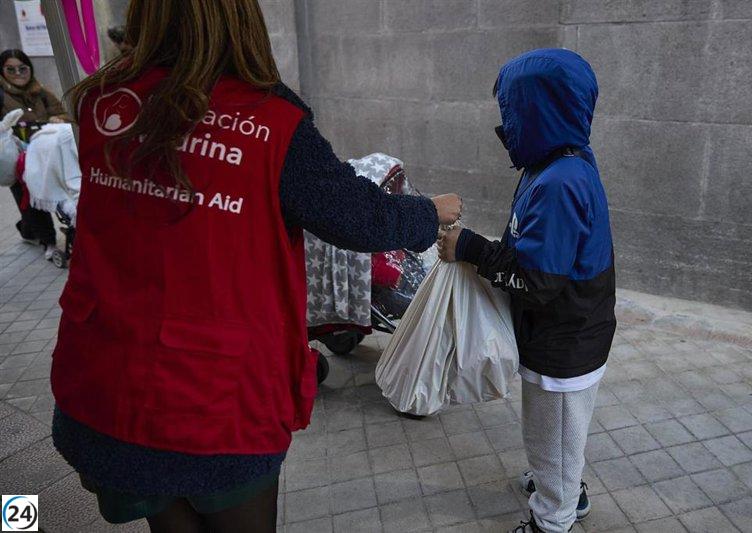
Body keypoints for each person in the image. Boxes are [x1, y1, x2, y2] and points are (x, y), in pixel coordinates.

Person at [49, 1, 461, 532]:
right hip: (212, 401)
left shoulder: (103, 102)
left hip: (105, 387)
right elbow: (357, 218)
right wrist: (430, 212)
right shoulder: (270, 120)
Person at [438, 48, 616, 533]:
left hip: (565, 343)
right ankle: (560, 483)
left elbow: (538, 281)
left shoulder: (560, 181)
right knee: (554, 436)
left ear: (540, 111)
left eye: (511, 113)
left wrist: (471, 247)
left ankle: (553, 518)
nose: (506, 127)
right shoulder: (558, 161)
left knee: (553, 434)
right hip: (561, 332)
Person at [1, 49, 68, 260]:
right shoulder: (1, 95)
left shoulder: (41, 92)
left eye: (23, 68)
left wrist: (58, 118)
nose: (18, 73)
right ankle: (48, 242)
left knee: (47, 199)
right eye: (10, 69)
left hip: (47, 154)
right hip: (16, 159)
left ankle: (28, 230)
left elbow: (63, 113)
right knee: (30, 199)